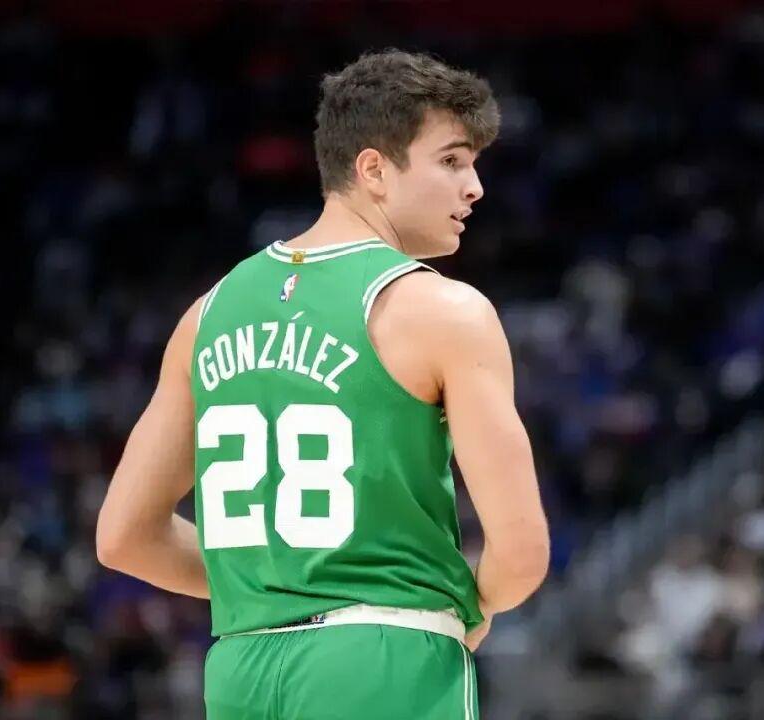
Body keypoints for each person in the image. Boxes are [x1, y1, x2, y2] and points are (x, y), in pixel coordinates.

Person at [95, 49, 550, 719]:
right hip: (385, 656)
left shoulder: (208, 312)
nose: (475, 186)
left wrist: (276, 588)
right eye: (452, 161)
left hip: (241, 667)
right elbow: (522, 552)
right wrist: (461, 607)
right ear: (374, 169)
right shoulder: (444, 311)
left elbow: (122, 537)